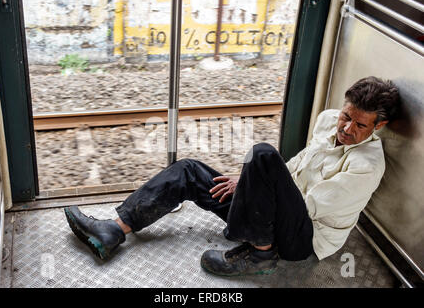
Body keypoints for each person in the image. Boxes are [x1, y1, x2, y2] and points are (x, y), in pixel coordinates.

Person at [64, 76, 400, 277]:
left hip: (304, 238)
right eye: (346, 116)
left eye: (359, 125)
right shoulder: (328, 120)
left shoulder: (367, 165)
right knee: (189, 170)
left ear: (378, 126)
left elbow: (309, 206)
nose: (345, 128)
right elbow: (296, 166)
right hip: (276, 211)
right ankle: (114, 229)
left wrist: (259, 186)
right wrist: (249, 183)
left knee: (263, 153)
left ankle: (261, 253)